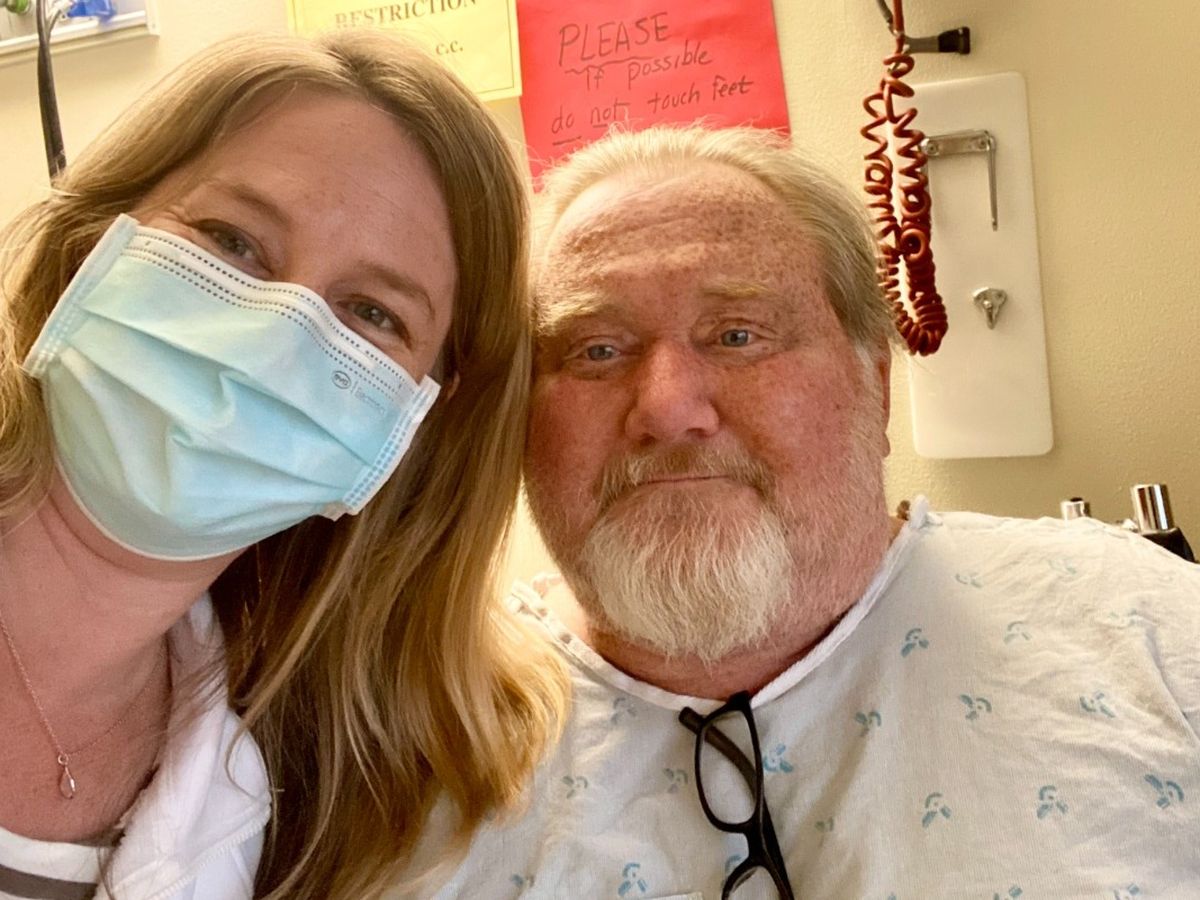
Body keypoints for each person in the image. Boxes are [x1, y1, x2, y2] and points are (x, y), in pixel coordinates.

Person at [421, 125, 1200, 898]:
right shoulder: (415, 741)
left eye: (738, 335)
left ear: (875, 385)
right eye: (596, 350)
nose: (667, 408)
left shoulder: (1143, 626)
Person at [0, 30, 566, 900]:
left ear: (412, 421)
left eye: (372, 314)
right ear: (93, 240)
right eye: (232, 240)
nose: (270, 336)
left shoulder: (281, 805)